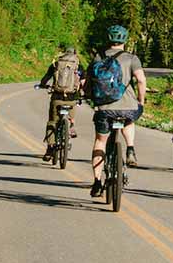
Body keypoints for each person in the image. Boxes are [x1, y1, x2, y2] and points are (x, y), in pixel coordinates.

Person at [86, 25, 146, 197]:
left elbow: (88, 83)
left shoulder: (98, 58)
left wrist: (90, 97)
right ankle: (130, 149)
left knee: (100, 142)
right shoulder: (132, 58)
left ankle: (97, 181)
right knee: (129, 119)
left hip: (104, 109)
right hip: (127, 107)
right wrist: (140, 101)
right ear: (125, 40)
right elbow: (141, 81)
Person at [38, 44, 83, 161]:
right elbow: (83, 81)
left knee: (52, 122)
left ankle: (50, 148)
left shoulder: (56, 64)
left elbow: (46, 78)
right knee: (71, 117)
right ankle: (71, 126)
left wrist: (43, 85)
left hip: (57, 98)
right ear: (75, 53)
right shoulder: (78, 65)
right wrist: (82, 94)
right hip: (72, 99)